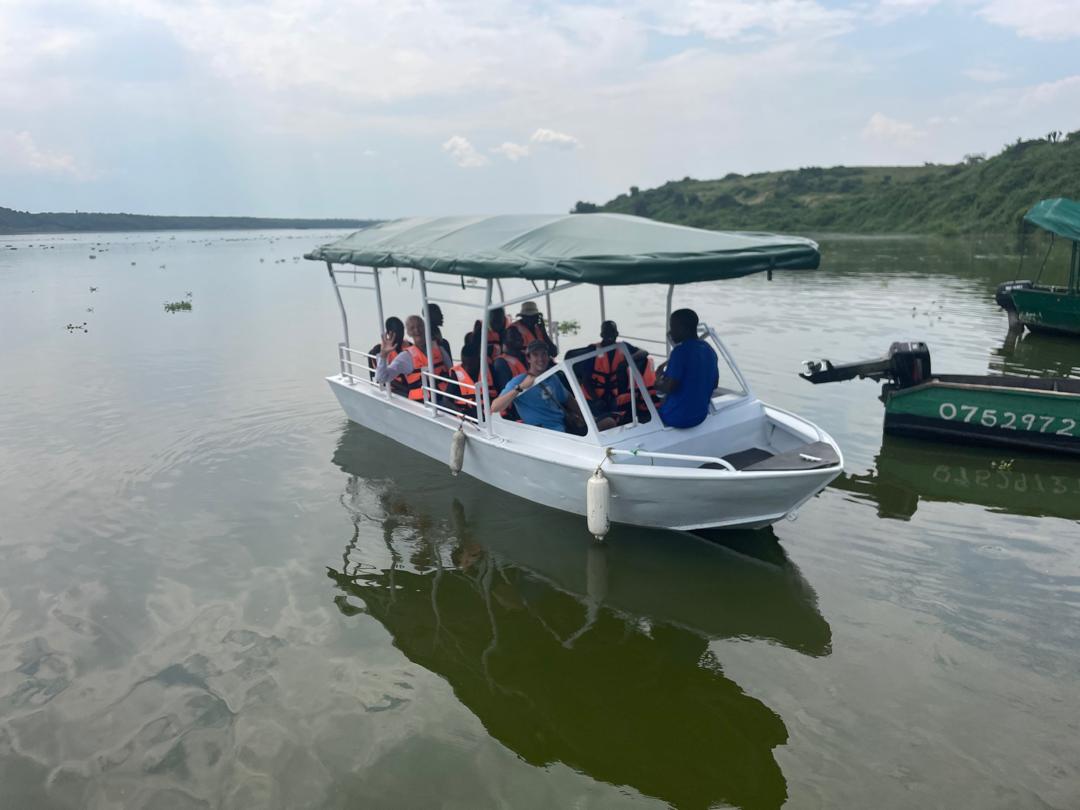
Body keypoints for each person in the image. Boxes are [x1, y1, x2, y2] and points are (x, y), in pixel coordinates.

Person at [490, 341, 615, 433]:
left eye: (544, 354)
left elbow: (569, 400)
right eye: (535, 355)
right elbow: (495, 407)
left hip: (565, 426)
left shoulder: (552, 377)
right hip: (546, 434)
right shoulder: (518, 381)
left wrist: (588, 419)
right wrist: (521, 387)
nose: (541, 359)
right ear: (528, 358)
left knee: (609, 422)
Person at [656, 308, 718, 428]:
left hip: (677, 418)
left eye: (673, 327)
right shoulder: (709, 350)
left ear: (682, 328)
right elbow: (714, 384)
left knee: (653, 404)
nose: (670, 332)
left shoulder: (679, 352)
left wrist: (657, 381)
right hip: (700, 415)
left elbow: (668, 388)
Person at [588, 321, 655, 419]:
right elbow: (585, 379)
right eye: (607, 332)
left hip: (616, 395)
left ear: (617, 334)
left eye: (612, 332)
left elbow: (644, 352)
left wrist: (627, 361)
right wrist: (596, 400)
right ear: (601, 334)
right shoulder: (592, 350)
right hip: (596, 396)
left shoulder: (624, 346)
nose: (610, 335)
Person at [374, 315, 450, 401]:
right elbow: (381, 378)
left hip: (444, 398)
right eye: (412, 328)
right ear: (409, 333)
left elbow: (451, 372)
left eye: (420, 326)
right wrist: (383, 355)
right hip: (422, 404)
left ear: (425, 328)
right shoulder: (406, 357)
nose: (417, 330)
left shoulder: (439, 349)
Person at [448, 342, 495, 419]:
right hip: (468, 415)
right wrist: (459, 411)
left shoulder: (489, 369)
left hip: (490, 413)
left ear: (479, 360)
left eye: (470, 364)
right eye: (464, 364)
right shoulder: (456, 374)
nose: (467, 367)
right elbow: (446, 399)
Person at [368, 316, 409, 394]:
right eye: (396, 332)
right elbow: (382, 376)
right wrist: (407, 389)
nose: (400, 335)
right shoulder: (377, 351)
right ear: (388, 333)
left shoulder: (410, 346)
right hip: (393, 388)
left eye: (402, 331)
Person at [492, 325, 527, 392]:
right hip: (517, 396)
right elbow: (505, 391)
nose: (518, 338)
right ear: (504, 341)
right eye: (513, 336)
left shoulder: (527, 355)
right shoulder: (500, 363)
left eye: (519, 335)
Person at [427, 302, 454, 366]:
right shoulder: (428, 334)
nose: (442, 315)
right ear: (430, 315)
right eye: (438, 313)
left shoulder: (434, 331)